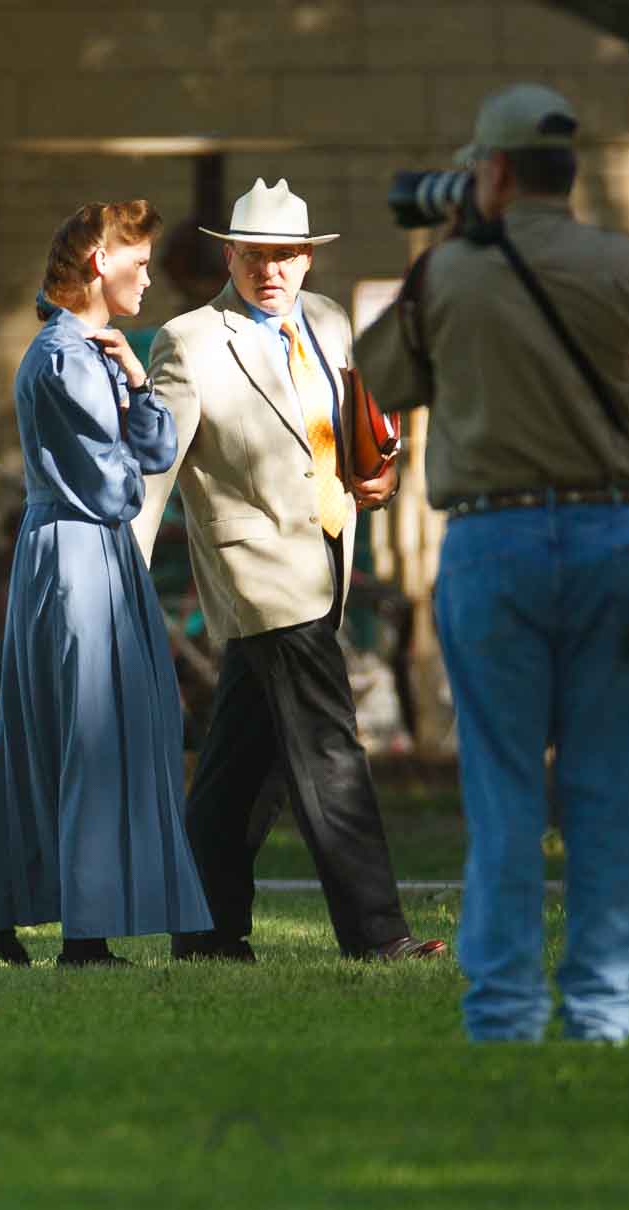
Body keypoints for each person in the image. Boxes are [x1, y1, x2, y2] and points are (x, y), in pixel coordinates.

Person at [418, 85, 629, 1041]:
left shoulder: (450, 273)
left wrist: (451, 246)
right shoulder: (625, 266)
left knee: (504, 783)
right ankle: (605, 1012)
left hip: (494, 537)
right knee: (613, 786)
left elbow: (389, 371)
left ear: (490, 172)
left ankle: (504, 1012)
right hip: (614, 538)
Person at [133, 179, 446, 963]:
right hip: (260, 578)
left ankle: (204, 936)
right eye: (254, 256)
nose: (269, 270)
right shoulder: (189, 340)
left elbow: (347, 435)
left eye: (284, 256)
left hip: (327, 569)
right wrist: (122, 561)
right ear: (230, 255)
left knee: (241, 769)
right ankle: (377, 937)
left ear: (307, 260)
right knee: (332, 754)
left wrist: (380, 475)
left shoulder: (334, 323)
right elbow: (155, 469)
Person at [0, 200, 214, 968]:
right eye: (141, 261)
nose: (150, 277)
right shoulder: (62, 355)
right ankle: (80, 935)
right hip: (74, 549)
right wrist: (129, 427)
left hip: (89, 549)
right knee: (86, 730)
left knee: (68, 727)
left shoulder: (96, 352)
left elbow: (156, 452)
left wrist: (134, 374)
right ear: (101, 261)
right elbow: (114, 487)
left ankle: (1, 896)